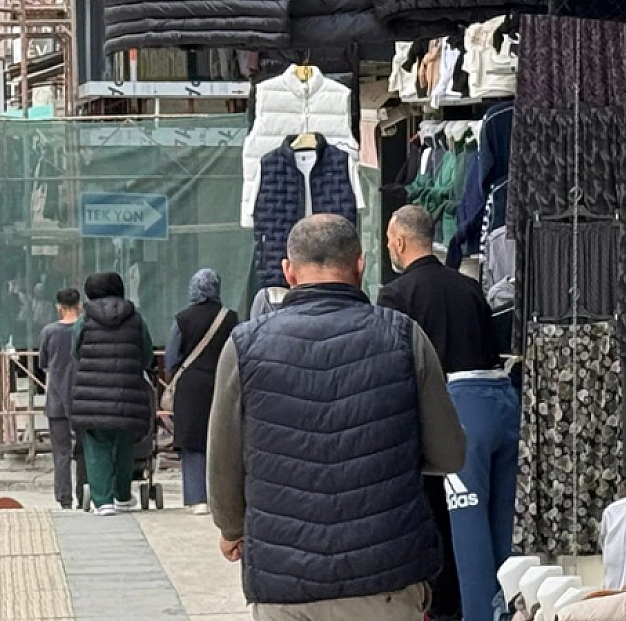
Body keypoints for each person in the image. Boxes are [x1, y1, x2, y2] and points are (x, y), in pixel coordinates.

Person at [209, 214, 466, 621]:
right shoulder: (403, 336)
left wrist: (231, 528)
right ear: (360, 265)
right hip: (385, 578)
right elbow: (450, 453)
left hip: (284, 584)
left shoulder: (244, 346)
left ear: (288, 272)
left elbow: (223, 458)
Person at [378, 205, 515, 621]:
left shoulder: (396, 296)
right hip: (501, 400)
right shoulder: (468, 286)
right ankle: (509, 609)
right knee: (502, 527)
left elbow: (397, 369)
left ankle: (473, 614)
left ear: (400, 241)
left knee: (464, 528)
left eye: (389, 241)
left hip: (455, 410)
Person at [71, 272, 155, 516]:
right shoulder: (136, 318)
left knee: (97, 444)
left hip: (92, 392)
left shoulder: (85, 319)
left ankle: (102, 499)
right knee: (124, 444)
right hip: (128, 390)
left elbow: (76, 351)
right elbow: (147, 354)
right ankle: (122, 496)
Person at [165, 268, 238, 515]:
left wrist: (174, 375)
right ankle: (221, 497)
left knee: (192, 440)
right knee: (221, 438)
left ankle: (197, 498)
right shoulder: (230, 317)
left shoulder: (182, 318)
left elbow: (171, 357)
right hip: (223, 381)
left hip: (190, 385)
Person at [39, 288, 83, 509]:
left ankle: (64, 497)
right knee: (85, 450)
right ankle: (85, 493)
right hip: (84, 398)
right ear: (79, 305)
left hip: (56, 399)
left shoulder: (49, 332)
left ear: (59, 307)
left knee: (61, 452)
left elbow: (43, 363)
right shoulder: (85, 330)